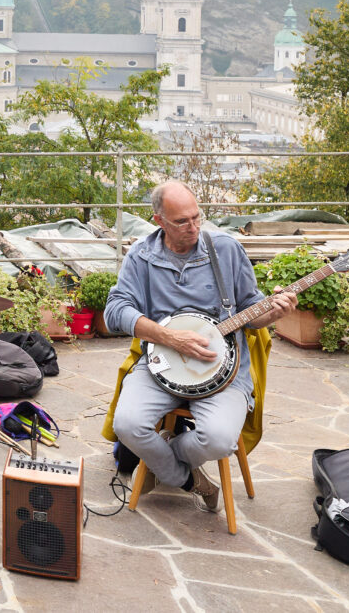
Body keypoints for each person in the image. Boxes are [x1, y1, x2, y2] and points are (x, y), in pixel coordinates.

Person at [103, 180, 297, 513]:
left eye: (197, 217)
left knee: (219, 440)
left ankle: (167, 456)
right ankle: (191, 481)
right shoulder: (142, 256)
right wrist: (169, 337)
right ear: (159, 220)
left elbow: (251, 309)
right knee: (128, 424)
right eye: (182, 221)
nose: (193, 227)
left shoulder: (225, 249)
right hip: (162, 365)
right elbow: (114, 311)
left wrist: (273, 313)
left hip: (224, 373)